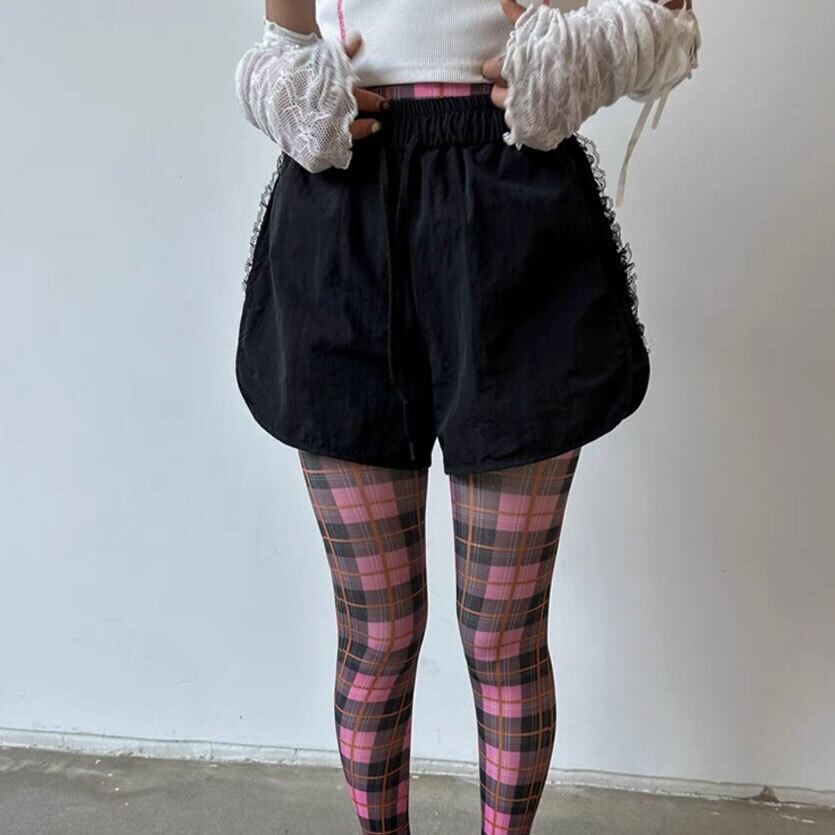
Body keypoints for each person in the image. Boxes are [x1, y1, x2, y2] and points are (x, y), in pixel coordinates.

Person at [233, 1, 699, 832]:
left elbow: (670, 14)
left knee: (501, 635)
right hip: (347, 194)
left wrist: (582, 54)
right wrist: (291, 72)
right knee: (377, 631)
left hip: (512, 201)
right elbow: (286, 37)